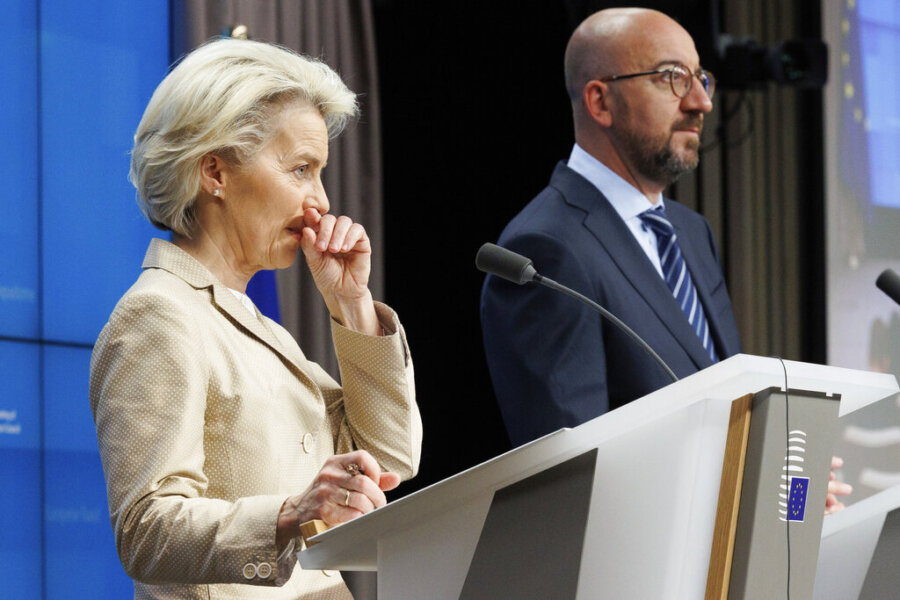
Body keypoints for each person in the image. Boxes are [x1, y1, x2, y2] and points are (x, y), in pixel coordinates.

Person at [480, 8, 849, 512]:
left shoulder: (691, 231)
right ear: (600, 101)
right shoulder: (545, 250)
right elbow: (573, 473)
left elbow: (725, 408)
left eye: (702, 78)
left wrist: (791, 486)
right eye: (672, 78)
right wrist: (753, 484)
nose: (701, 102)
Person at [89, 38, 422, 599]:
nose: (320, 200)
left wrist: (351, 304)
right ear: (214, 171)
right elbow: (145, 532)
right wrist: (292, 512)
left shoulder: (258, 325)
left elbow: (389, 459)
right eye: (300, 169)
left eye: (319, 173)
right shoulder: (158, 315)